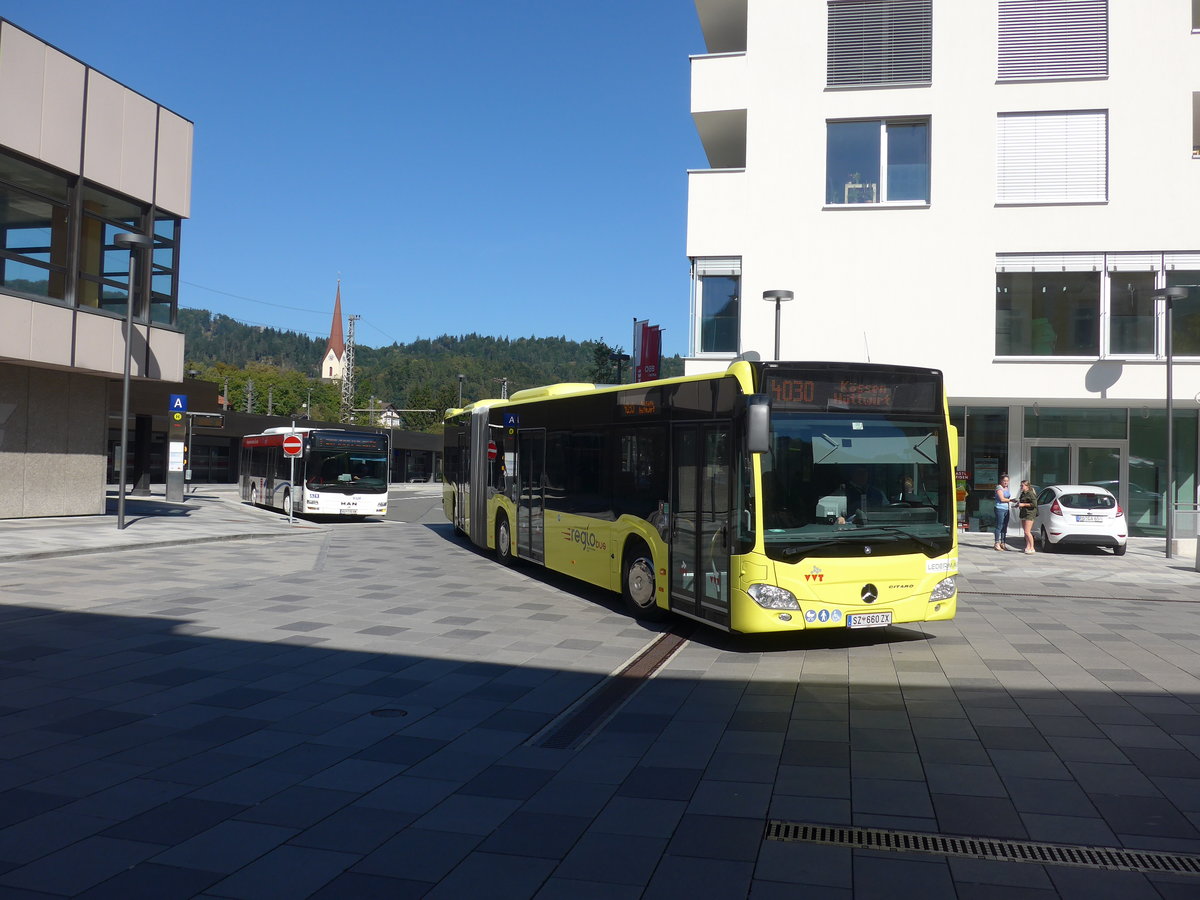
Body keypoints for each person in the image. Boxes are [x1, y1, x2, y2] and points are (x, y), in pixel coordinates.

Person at [1015, 479, 1038, 554]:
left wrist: (1024, 505)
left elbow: (1034, 504)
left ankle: (1032, 547)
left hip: (1030, 513)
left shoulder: (1031, 493)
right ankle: (1027, 546)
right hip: (1023, 513)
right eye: (1020, 485)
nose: (1021, 487)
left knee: (1027, 531)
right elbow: (1022, 502)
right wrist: (1018, 504)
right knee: (1025, 532)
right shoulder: (1023, 493)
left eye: (1022, 485)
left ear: (1027, 486)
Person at [993, 473, 1014, 551]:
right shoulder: (999, 488)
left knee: (1004, 526)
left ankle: (1003, 543)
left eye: (1007, 481)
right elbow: (1002, 499)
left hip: (1006, 509)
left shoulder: (1006, 488)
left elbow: (1007, 498)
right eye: (1004, 481)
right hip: (999, 508)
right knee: (999, 526)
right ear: (1001, 481)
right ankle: (996, 543)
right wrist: (1012, 500)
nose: (1006, 482)